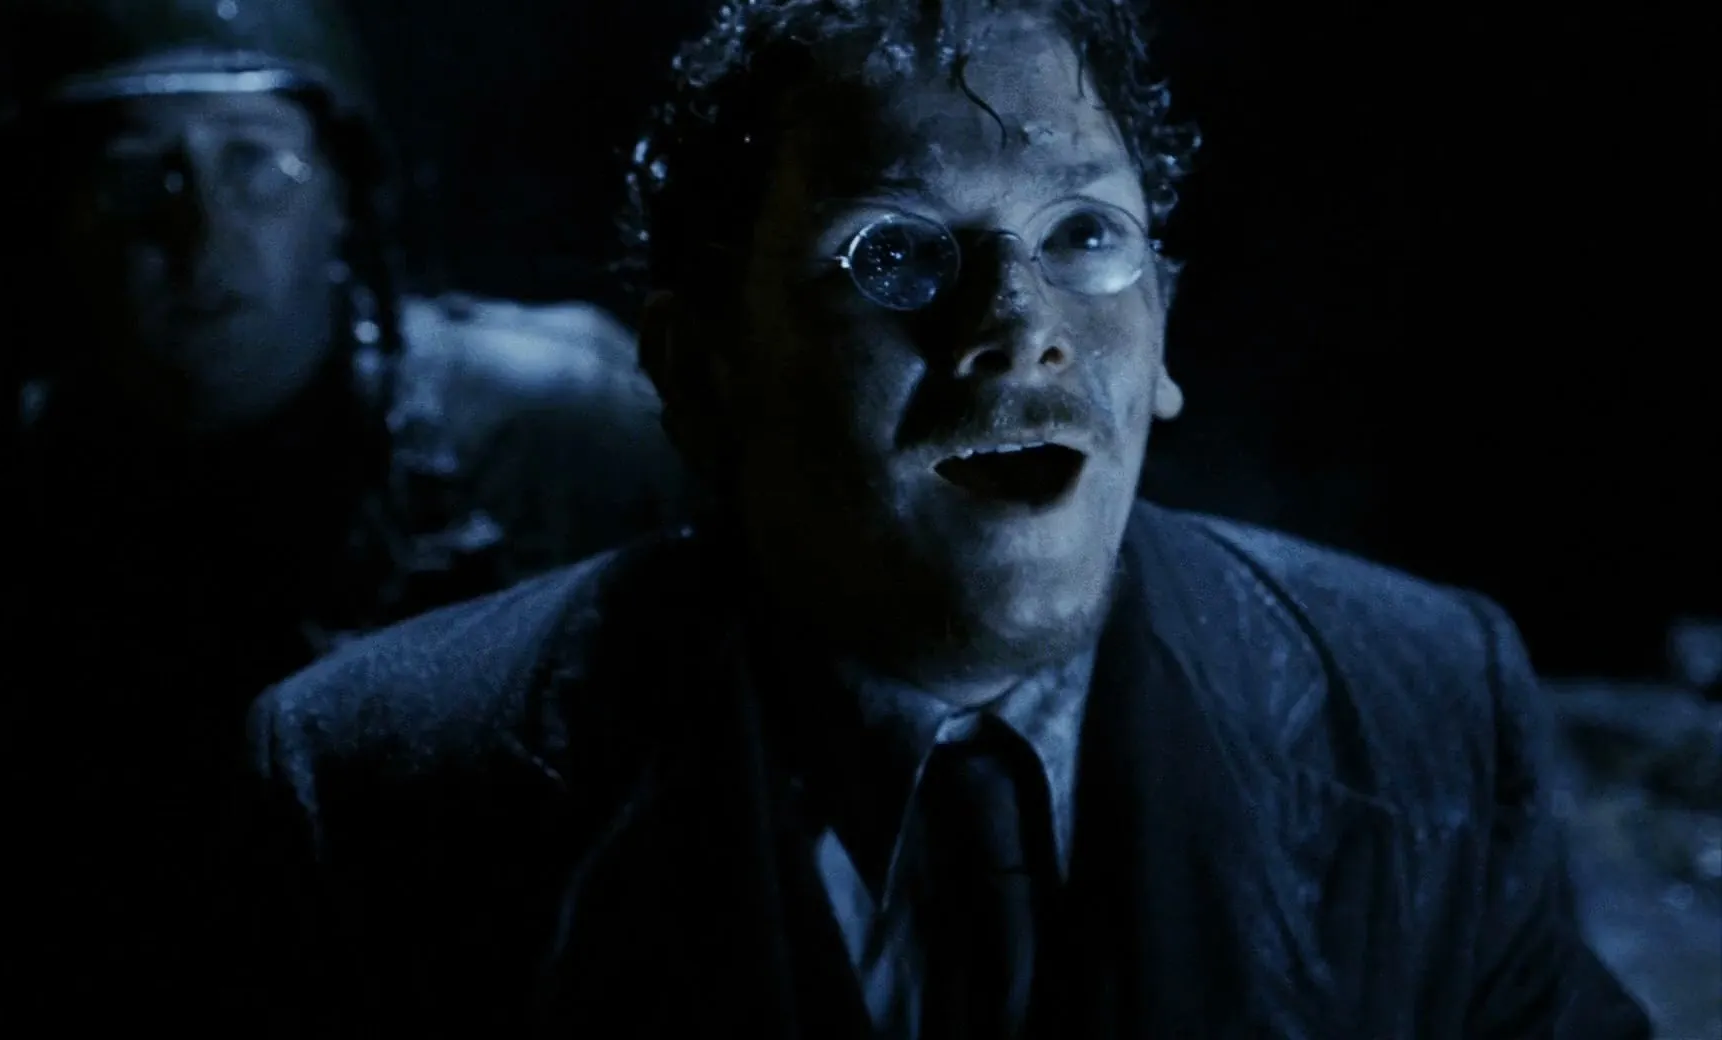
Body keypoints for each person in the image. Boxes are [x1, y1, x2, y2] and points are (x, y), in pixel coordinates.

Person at [244, 0, 1652, 1036]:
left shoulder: (1420, 707)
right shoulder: (386, 793)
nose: (1021, 327)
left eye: (1082, 233)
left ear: (1163, 335)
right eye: (896, 253)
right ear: (699, 366)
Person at [0, 0, 686, 1032]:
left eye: (256, 164)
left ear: (339, 194)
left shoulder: (567, 435)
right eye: (137, 175)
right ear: (56, 215)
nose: (201, 232)